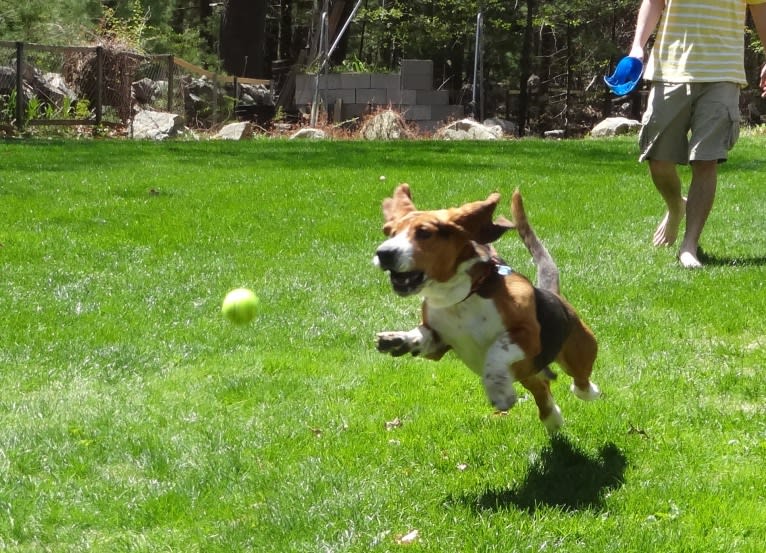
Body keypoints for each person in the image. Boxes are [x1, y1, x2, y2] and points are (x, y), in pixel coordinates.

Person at [629, 0, 766, 268]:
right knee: (658, 159)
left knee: (706, 159)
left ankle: (689, 245)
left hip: (722, 74)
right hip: (669, 70)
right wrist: (637, 45)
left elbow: (760, 10)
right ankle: (675, 206)